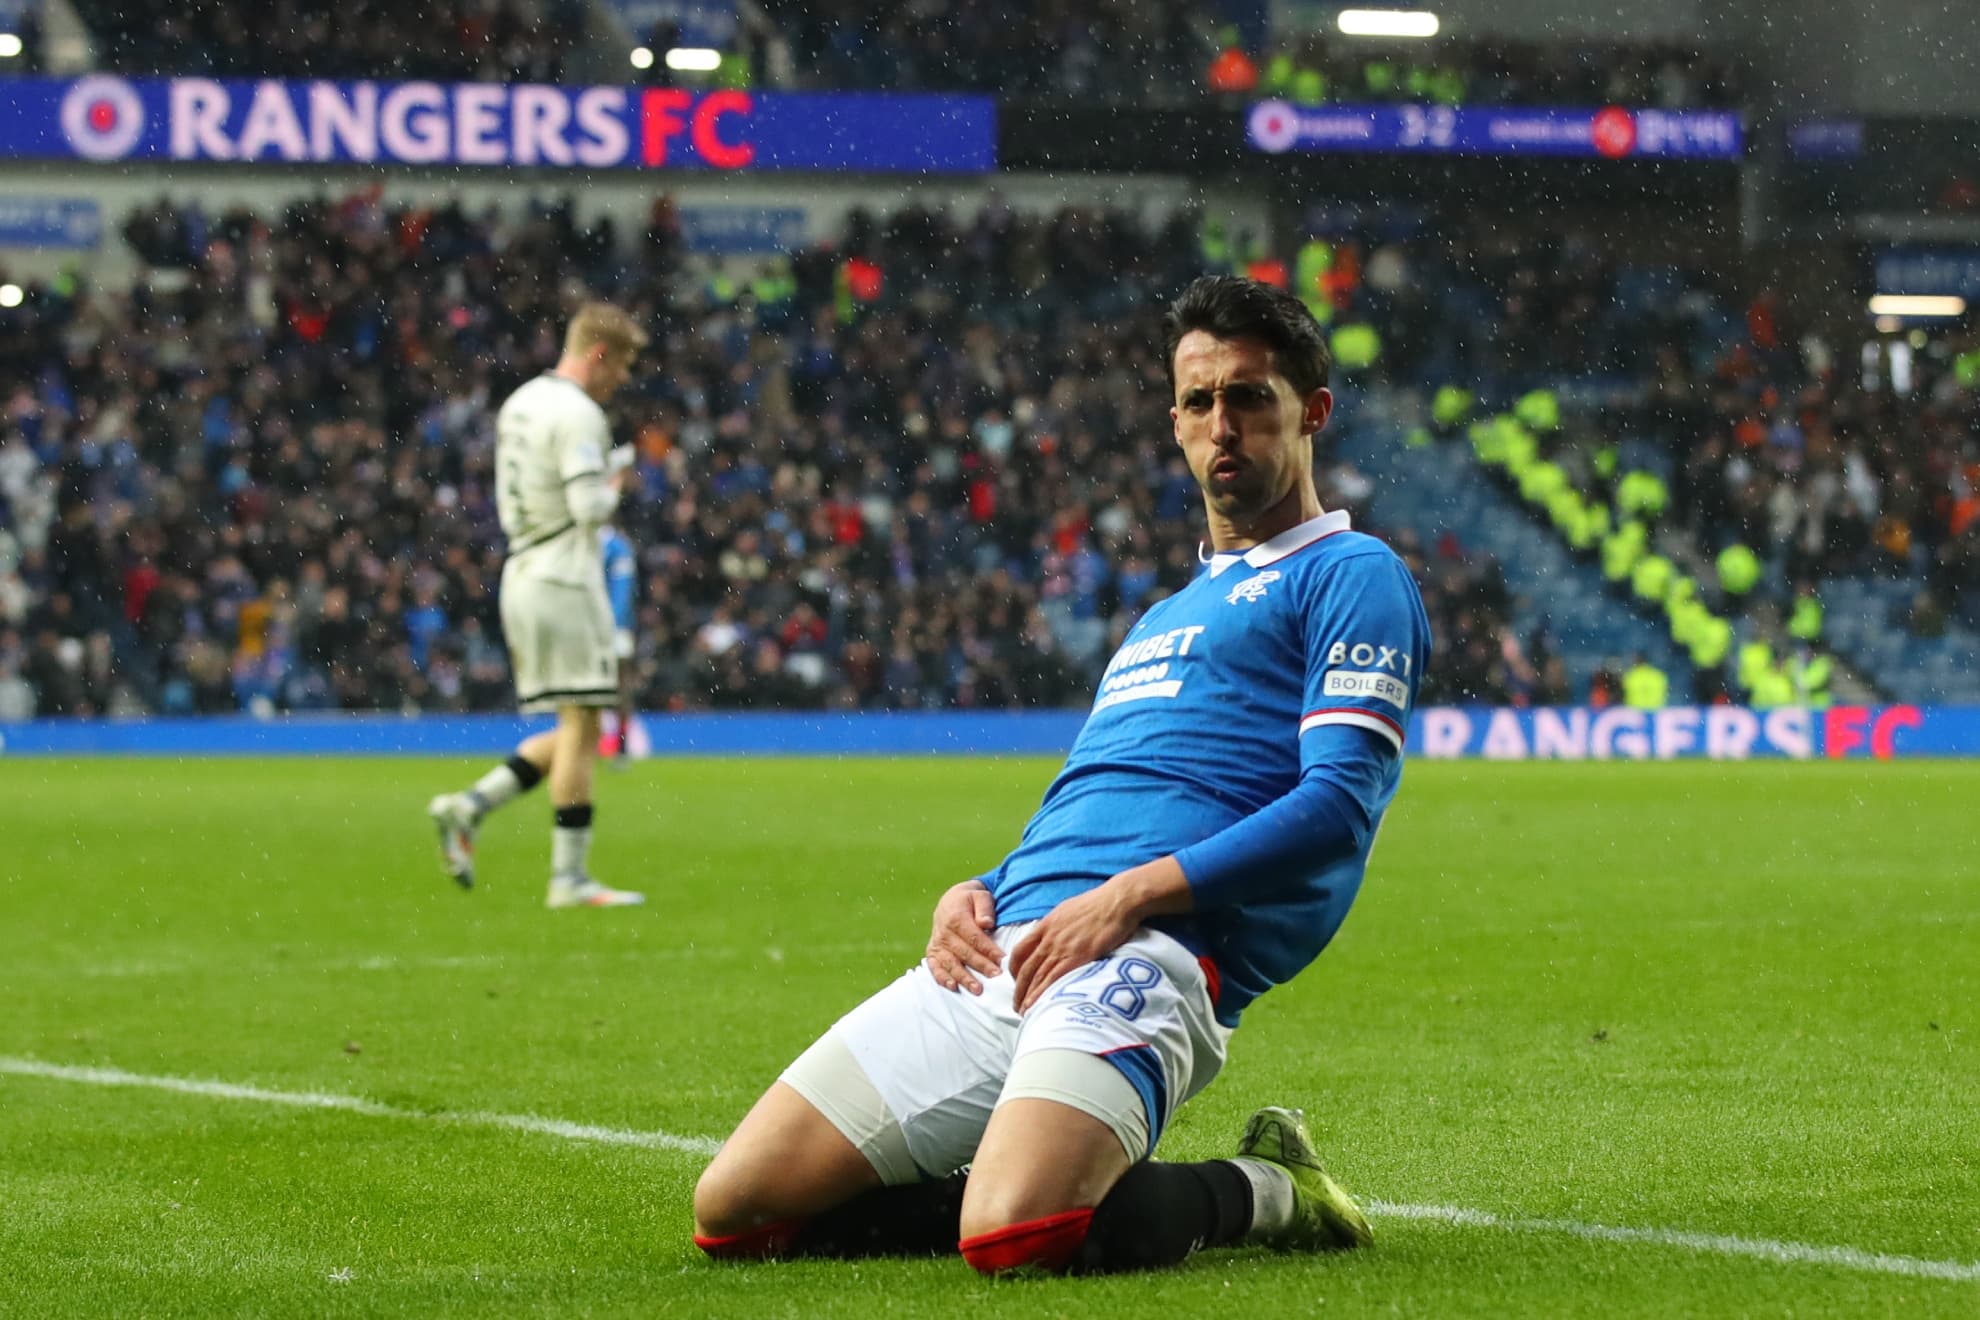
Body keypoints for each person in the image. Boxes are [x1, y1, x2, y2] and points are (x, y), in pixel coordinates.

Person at [691, 275, 1431, 1276]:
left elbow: (1336, 808)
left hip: (1150, 946)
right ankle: (1035, 1150)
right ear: (1174, 421)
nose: (1226, 424)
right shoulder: (1162, 615)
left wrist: (1129, 897)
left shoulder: (1352, 576)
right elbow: (1093, 802)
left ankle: (1268, 1189)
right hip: (1007, 947)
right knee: (737, 1213)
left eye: (1253, 397)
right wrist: (982, 889)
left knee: (1014, 1237)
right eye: (1201, 400)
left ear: (1313, 412)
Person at [427, 303, 649, 909]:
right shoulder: (580, 414)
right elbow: (588, 509)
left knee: (578, 723)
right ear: (599, 354)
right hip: (565, 575)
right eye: (622, 366)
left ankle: (469, 806)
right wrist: (615, 481)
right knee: (584, 724)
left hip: (523, 568)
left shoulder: (521, 401)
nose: (622, 381)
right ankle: (568, 879)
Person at [598, 519, 639, 764]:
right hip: (586, 628)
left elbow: (622, 592)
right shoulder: (582, 542)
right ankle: (596, 740)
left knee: (620, 686)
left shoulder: (617, 546)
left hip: (614, 629)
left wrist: (610, 623)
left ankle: (621, 745)